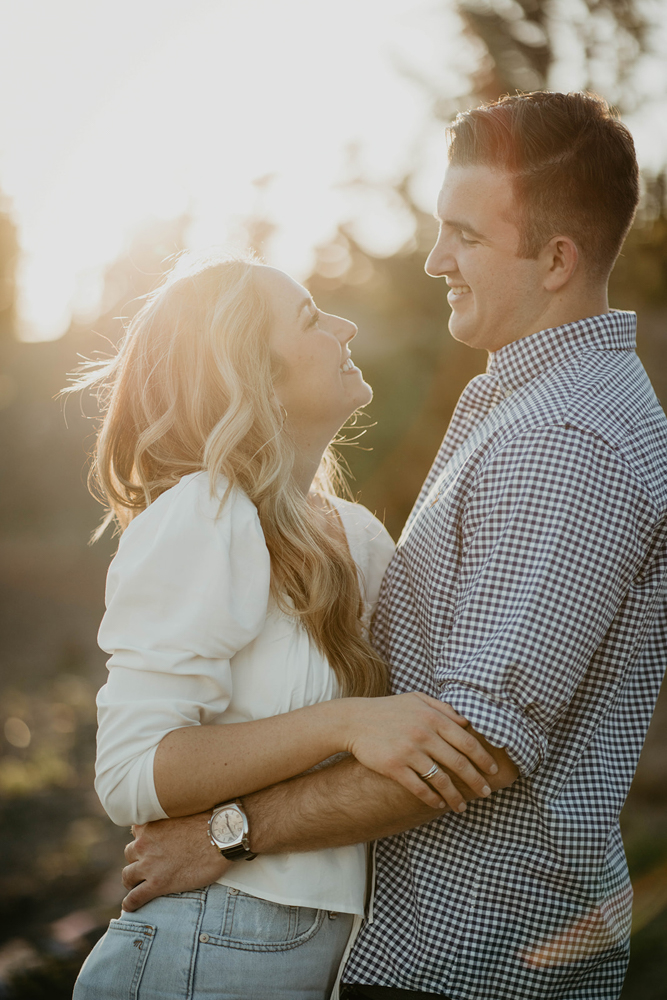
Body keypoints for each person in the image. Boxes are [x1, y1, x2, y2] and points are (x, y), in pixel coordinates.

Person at [119, 91, 667, 1000]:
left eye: (466, 236)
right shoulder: (515, 403)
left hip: (479, 964)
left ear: (558, 260)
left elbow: (475, 749)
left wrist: (222, 832)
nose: (434, 259)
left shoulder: (568, 441)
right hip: (435, 953)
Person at [71, 250, 512, 1000]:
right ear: (255, 379)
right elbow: (130, 773)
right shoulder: (205, 514)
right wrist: (342, 724)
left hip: (325, 956)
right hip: (204, 948)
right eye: (309, 318)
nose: (343, 326)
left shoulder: (359, 534)